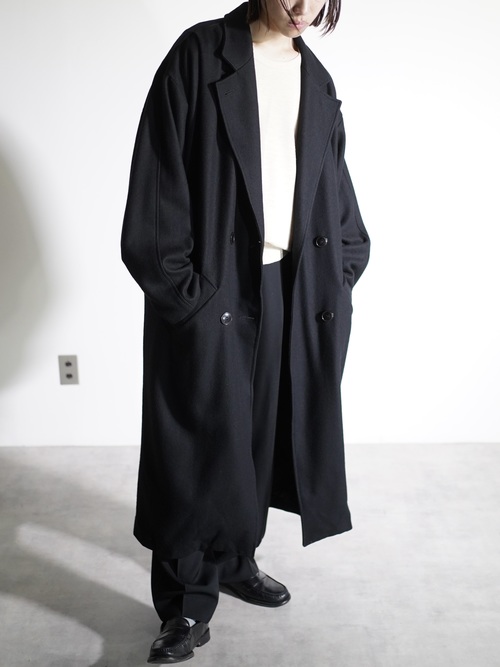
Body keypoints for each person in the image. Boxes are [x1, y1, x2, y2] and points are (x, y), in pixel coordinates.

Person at [121, 0, 370, 662]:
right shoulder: (200, 56)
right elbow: (157, 183)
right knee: (195, 447)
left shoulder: (315, 79)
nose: (304, 7)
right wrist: (188, 298)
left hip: (290, 286)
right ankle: (185, 604)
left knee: (261, 436)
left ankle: (235, 558)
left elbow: (335, 187)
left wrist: (342, 267)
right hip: (214, 289)